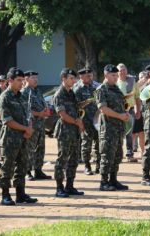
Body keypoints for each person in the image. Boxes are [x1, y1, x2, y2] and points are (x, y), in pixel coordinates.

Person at [0, 67, 37, 205]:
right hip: (10, 138)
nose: (21, 83)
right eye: (19, 80)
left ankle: (21, 193)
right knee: (7, 166)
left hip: (24, 137)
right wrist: (26, 128)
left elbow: (28, 114)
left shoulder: (23, 96)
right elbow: (7, 121)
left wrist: (29, 127)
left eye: (22, 80)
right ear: (10, 81)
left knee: (22, 166)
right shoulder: (4, 98)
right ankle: (5, 195)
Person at [95, 64, 130, 191]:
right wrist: (120, 116)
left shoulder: (116, 89)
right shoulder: (101, 90)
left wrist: (125, 112)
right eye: (113, 75)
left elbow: (121, 105)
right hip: (108, 129)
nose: (116, 77)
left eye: (117, 75)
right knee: (107, 156)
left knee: (117, 155)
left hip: (118, 128)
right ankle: (103, 182)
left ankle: (113, 180)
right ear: (106, 75)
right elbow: (103, 109)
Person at [52, 68, 85, 197]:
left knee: (74, 159)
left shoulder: (72, 93)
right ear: (63, 79)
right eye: (71, 78)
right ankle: (59, 188)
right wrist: (77, 122)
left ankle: (69, 186)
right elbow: (63, 115)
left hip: (74, 131)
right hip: (65, 131)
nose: (74, 80)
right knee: (62, 159)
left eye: (74, 78)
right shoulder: (59, 94)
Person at [22, 70, 52, 180]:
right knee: (29, 148)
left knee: (40, 147)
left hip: (40, 124)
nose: (35, 80)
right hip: (31, 124)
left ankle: (38, 170)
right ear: (26, 79)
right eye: (33, 78)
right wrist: (39, 113)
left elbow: (43, 104)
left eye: (36, 77)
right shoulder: (25, 92)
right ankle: (27, 171)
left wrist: (46, 110)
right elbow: (26, 109)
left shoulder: (37, 91)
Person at [73, 67, 101, 175]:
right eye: (87, 76)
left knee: (99, 143)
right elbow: (76, 106)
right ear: (81, 77)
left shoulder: (97, 87)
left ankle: (99, 165)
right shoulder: (77, 88)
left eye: (90, 75)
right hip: (85, 120)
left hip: (97, 119)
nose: (90, 77)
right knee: (86, 144)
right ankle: (87, 166)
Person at [116, 63, 141, 162]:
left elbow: (137, 97)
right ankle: (118, 154)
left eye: (124, 69)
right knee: (118, 133)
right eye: (120, 70)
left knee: (129, 133)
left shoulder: (132, 81)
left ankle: (129, 154)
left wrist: (137, 110)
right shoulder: (114, 82)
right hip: (117, 111)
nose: (122, 71)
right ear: (117, 72)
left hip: (130, 110)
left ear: (127, 70)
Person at [132, 71, 148, 157]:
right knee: (133, 133)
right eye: (141, 77)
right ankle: (130, 151)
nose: (143, 78)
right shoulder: (136, 85)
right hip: (136, 110)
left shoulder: (149, 86)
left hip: (145, 112)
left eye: (145, 76)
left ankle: (142, 151)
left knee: (142, 133)